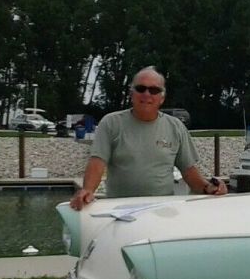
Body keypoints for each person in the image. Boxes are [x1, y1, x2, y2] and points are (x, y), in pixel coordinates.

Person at [69, 66, 227, 209]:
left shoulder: (176, 127)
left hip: (162, 210)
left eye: (154, 90)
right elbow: (97, 161)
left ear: (162, 98)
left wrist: (209, 188)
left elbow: (188, 172)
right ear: (132, 94)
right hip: (119, 209)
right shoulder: (110, 123)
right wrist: (87, 190)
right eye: (141, 88)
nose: (146, 94)